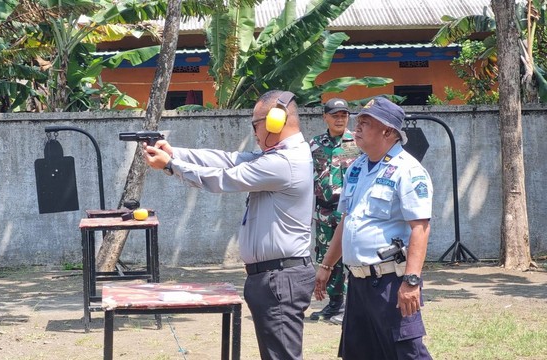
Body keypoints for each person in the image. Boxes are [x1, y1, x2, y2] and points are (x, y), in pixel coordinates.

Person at [143, 90, 315, 360]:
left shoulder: (284, 161)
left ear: (275, 122)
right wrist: (176, 153)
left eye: (256, 124)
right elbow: (227, 159)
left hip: (279, 277)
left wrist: (172, 166)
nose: (255, 132)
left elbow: (223, 179)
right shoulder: (280, 155)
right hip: (273, 277)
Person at [314, 96, 434, 359]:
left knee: (406, 352)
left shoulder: (408, 171)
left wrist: (411, 282)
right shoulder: (356, 167)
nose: (356, 128)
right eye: (359, 122)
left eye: (365, 123)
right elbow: (347, 221)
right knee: (358, 353)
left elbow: (420, 227)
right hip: (357, 283)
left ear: (388, 131)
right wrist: (326, 265)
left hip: (391, 283)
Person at [309, 98, 359, 324]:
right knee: (326, 258)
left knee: (350, 257)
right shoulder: (315, 145)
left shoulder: (358, 142)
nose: (340, 119)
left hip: (349, 211)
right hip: (324, 212)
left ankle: (351, 305)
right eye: (335, 115)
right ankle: (335, 303)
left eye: (344, 115)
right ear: (325, 117)